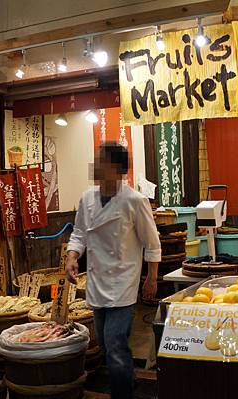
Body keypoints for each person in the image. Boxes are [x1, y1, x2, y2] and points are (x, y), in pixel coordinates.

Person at [65, 142, 161, 399]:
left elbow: (152, 243)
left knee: (116, 344)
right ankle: (128, 379)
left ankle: (122, 394)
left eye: (102, 162)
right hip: (97, 283)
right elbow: (79, 234)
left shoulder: (134, 200)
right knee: (107, 346)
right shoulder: (86, 198)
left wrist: (151, 278)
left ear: (118, 169)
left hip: (122, 282)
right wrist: (72, 257)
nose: (96, 167)